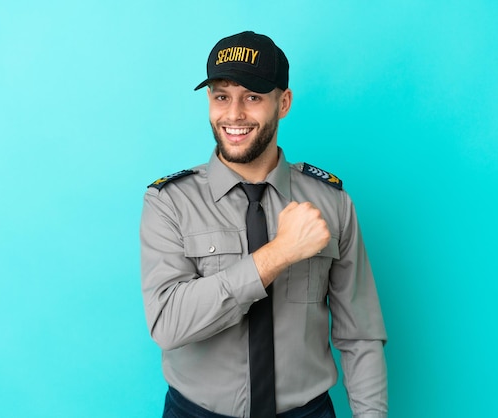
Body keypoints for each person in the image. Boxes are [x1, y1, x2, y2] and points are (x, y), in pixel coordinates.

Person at [141, 31, 387, 418]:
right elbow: (168, 325)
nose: (234, 114)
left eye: (252, 97)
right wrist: (279, 254)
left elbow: (361, 335)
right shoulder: (170, 202)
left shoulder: (331, 202)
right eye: (221, 96)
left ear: (283, 102)